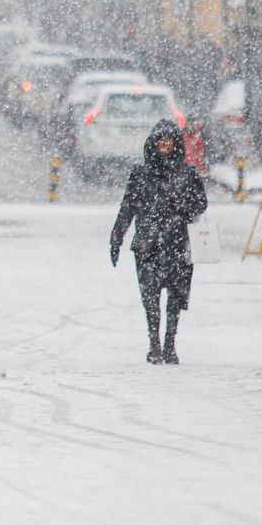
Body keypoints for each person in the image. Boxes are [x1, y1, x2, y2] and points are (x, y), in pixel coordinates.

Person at [110, 119, 208, 365]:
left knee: (176, 295)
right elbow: (128, 207)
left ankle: (170, 342)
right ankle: (154, 341)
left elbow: (200, 204)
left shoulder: (188, 174)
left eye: (169, 140)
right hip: (147, 243)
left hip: (177, 242)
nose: (164, 144)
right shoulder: (141, 175)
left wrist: (181, 210)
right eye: (160, 140)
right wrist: (117, 237)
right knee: (150, 295)